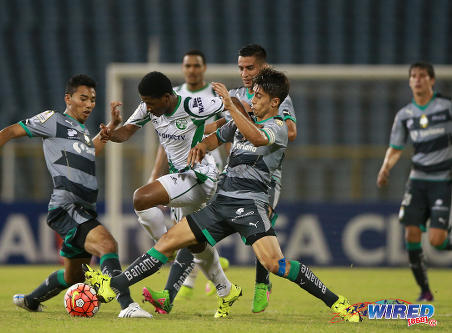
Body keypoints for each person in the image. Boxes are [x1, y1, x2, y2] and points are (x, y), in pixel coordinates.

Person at [84, 68, 361, 322]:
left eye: (260, 96)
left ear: (274, 103)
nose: (253, 99)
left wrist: (230, 106)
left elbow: (257, 138)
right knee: (167, 242)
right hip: (220, 203)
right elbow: (217, 136)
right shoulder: (245, 120)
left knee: (275, 264)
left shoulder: (277, 127)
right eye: (253, 94)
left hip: (250, 205)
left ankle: (339, 303)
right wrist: (201, 147)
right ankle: (111, 288)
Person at [0, 74, 152, 318]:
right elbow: (11, 131)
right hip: (67, 205)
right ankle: (127, 306)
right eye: (83, 98)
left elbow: (92, 149)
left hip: (84, 208)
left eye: (93, 100)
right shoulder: (53, 120)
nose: (89, 104)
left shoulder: (83, 130)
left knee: (73, 276)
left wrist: (110, 128)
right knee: (108, 244)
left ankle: (31, 300)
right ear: (68, 98)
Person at [98, 71, 237, 316]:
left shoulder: (192, 104)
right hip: (181, 177)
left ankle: (165, 248)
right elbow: (127, 132)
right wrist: (111, 134)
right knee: (195, 243)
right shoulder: (148, 108)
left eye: (151, 103)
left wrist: (221, 126)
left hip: (200, 176)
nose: (147, 108)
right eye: (145, 103)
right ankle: (226, 289)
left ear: (166, 97)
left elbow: (232, 107)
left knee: (141, 197)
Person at [204, 43, 297, 313]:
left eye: (250, 67)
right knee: (205, 221)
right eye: (241, 68)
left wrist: (245, 114)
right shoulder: (233, 95)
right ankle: (192, 282)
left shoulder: (277, 96)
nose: (245, 73)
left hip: (267, 176)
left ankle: (261, 282)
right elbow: (221, 126)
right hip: (235, 172)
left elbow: (290, 132)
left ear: (263, 68)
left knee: (262, 225)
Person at [143, 50, 230, 306]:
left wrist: (229, 166)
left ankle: (176, 290)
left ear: (203, 68)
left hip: (206, 170)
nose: (191, 70)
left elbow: (227, 125)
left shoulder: (212, 97)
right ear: (183, 69)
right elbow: (165, 143)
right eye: (187, 65)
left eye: (196, 65)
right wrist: (155, 174)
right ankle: (216, 283)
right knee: (192, 235)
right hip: (180, 171)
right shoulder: (173, 95)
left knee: (188, 232)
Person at [377, 62, 452, 302]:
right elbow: (396, 148)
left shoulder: (446, 107)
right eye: (413, 76)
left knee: (437, 242)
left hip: (443, 180)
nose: (417, 80)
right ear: (410, 82)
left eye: (422, 76)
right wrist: (385, 167)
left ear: (432, 80)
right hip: (417, 180)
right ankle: (425, 291)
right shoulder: (405, 115)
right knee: (411, 233)